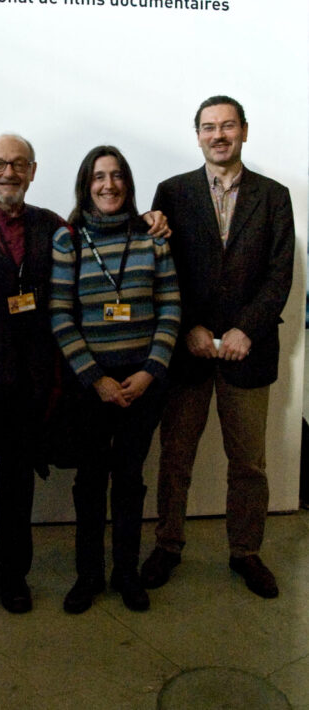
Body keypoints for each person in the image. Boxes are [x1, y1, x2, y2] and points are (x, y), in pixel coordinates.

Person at [0, 134, 169, 621]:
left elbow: (103, 233)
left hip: (26, 390)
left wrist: (150, 220)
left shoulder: (55, 228)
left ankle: (12, 580)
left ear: (33, 171)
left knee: (17, 492)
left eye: (18, 164)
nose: (7, 173)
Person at [141, 96, 295, 599]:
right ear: (198, 135)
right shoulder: (172, 192)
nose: (219, 134)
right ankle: (168, 543)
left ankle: (245, 551)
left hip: (248, 352)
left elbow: (279, 273)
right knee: (176, 456)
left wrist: (246, 329)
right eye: (209, 127)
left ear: (244, 132)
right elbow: (163, 271)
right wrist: (188, 326)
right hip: (187, 348)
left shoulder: (274, 196)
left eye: (228, 125)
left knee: (248, 463)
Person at [49, 145, 181, 614]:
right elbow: (61, 316)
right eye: (98, 177)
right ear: (87, 185)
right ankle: (89, 576)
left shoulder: (152, 237)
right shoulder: (69, 241)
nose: (108, 185)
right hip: (92, 386)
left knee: (129, 480)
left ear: (127, 182)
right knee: (90, 482)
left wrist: (151, 371)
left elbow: (170, 309)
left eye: (117, 176)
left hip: (143, 384)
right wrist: (96, 379)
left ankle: (126, 574)